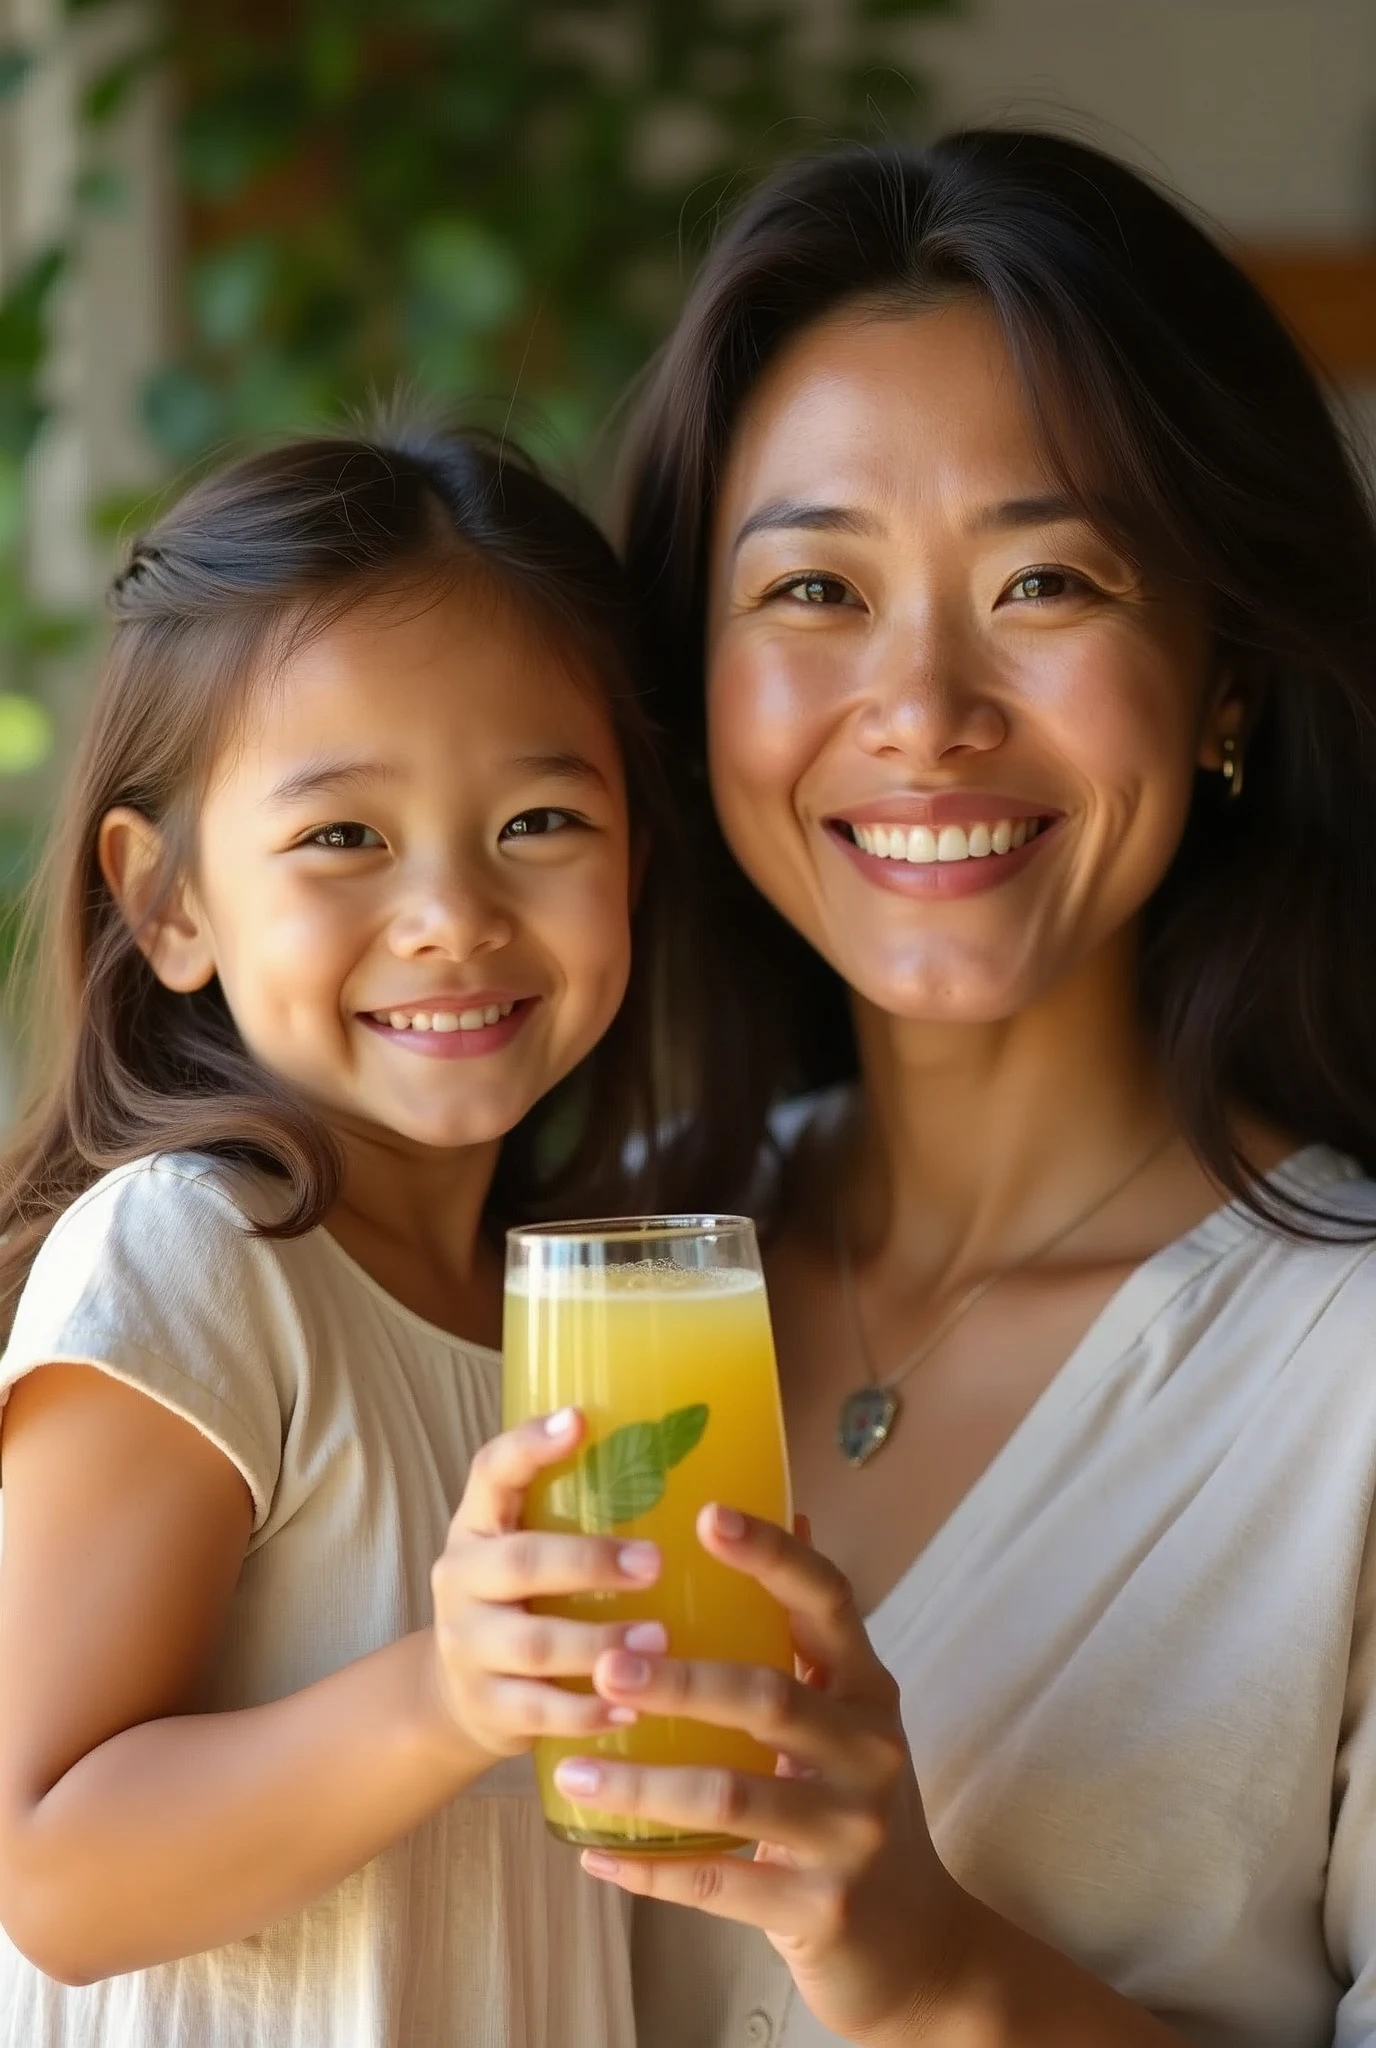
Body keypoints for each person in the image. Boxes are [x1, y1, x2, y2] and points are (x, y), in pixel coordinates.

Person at [562, 131, 1376, 2046]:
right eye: (816, 591)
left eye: (1047, 579)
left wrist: (935, 1968)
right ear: (691, 684)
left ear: (1226, 673)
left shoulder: (1345, 1365)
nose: (923, 709)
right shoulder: (553, 1283)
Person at [0, 426, 738, 2047]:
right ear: (169, 903)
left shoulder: (585, 1308)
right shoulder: (190, 1262)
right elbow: (50, 1865)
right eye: (344, 838)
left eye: (541, 822)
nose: (456, 915)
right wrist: (444, 1695)